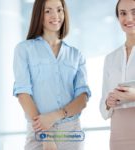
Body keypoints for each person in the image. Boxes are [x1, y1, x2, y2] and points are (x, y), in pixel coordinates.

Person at [13, 0, 91, 150]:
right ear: (39, 14)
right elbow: (23, 93)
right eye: (48, 11)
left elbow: (83, 98)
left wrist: (56, 115)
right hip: (39, 133)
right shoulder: (24, 49)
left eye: (59, 10)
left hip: (70, 133)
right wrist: (46, 135)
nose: (55, 15)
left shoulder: (76, 55)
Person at [100, 0, 135, 150]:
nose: (128, 19)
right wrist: (108, 102)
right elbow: (103, 105)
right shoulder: (111, 58)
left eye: (134, 12)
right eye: (123, 13)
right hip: (118, 135)